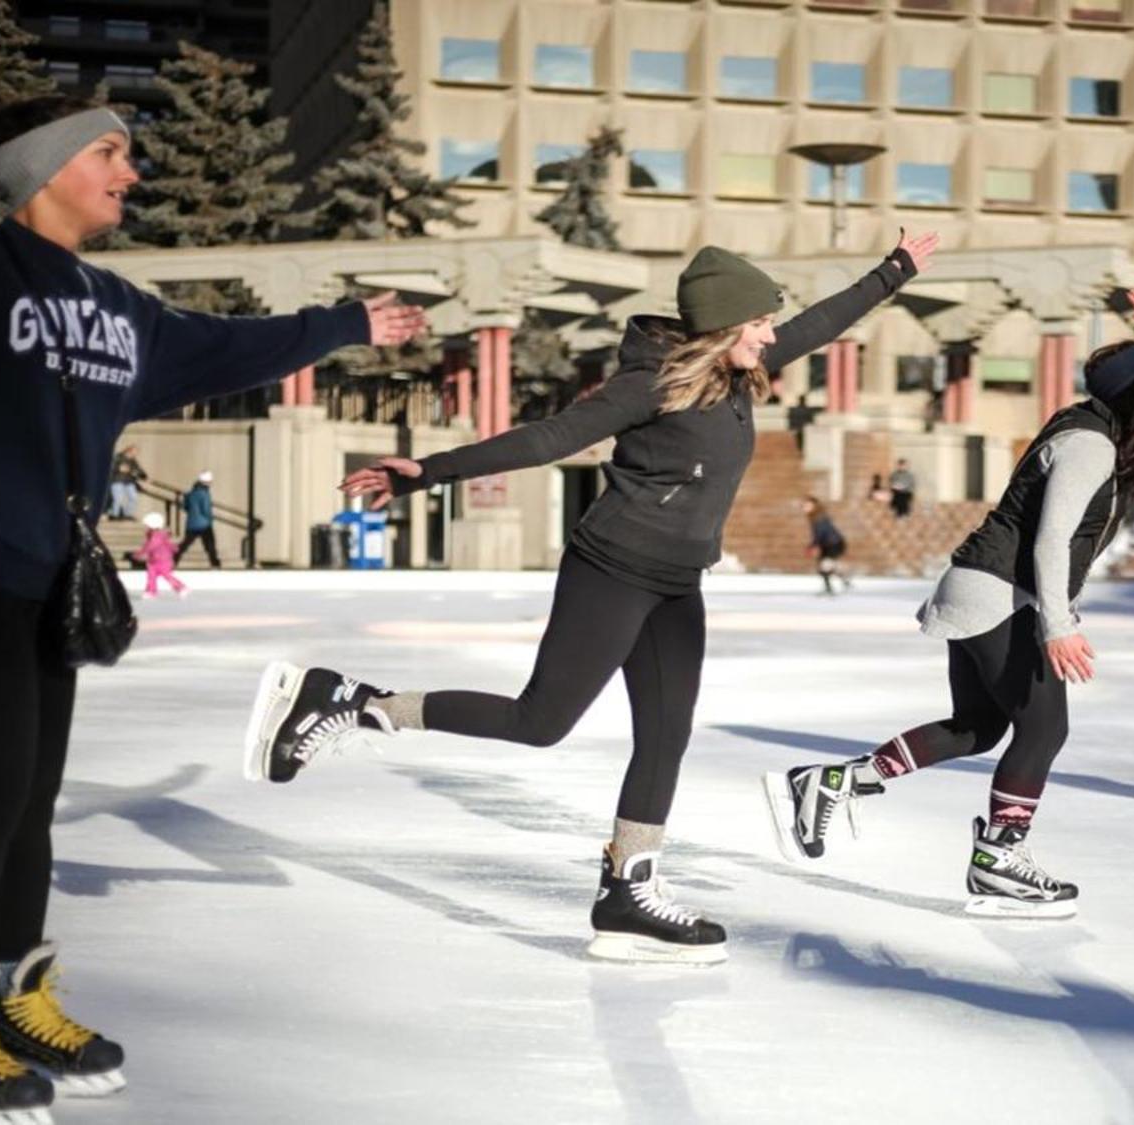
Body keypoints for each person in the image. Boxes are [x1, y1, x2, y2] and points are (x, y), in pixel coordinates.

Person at [242, 231, 940, 966]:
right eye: (760, 322)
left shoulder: (739, 371)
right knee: (539, 721)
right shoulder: (650, 384)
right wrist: (423, 472)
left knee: (667, 735)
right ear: (726, 325)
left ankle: (628, 890)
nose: (772, 334)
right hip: (612, 568)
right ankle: (353, 700)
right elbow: (550, 439)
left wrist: (893, 272)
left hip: (678, 582)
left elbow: (821, 323)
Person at [0, 86, 426, 1122]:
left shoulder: (121, 309)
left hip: (44, 582)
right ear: (43, 166)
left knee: (24, 806)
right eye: (110, 153)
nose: (131, 172)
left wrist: (344, 323)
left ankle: (14, 992)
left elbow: (224, 347)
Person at [765, 289, 1134, 918]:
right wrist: (1058, 627)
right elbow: (1053, 538)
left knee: (977, 728)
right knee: (1044, 726)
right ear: (1129, 388)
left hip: (984, 588)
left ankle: (836, 783)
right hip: (1003, 594)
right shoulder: (1091, 443)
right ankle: (1000, 857)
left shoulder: (1108, 427)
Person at [132, 512, 186, 600]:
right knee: (151, 577)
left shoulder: (156, 536)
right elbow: (167, 545)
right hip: (154, 560)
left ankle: (181, 587)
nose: (146, 527)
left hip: (162, 560)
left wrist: (139, 554)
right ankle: (151, 591)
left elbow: (150, 546)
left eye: (147, 525)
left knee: (167, 576)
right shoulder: (156, 535)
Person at [803, 496, 850, 596]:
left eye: (807, 505)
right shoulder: (814, 517)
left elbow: (821, 534)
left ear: (815, 506)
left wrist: (812, 545)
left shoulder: (819, 518)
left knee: (824, 566)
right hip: (828, 545)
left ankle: (831, 587)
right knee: (826, 566)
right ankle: (843, 580)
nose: (805, 507)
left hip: (833, 544)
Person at [178, 469, 218, 567]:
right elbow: (206, 509)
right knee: (210, 545)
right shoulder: (205, 494)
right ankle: (215, 563)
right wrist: (210, 518)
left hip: (191, 523)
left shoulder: (190, 493)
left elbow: (185, 507)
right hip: (204, 524)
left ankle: (174, 557)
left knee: (185, 544)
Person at [105, 444, 144, 519]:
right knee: (118, 499)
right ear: (129, 451)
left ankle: (128, 514)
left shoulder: (132, 460)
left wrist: (144, 476)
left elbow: (138, 469)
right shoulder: (118, 457)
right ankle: (114, 514)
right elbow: (110, 467)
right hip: (117, 480)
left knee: (133, 498)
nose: (136, 454)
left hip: (129, 481)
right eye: (135, 452)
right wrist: (118, 469)